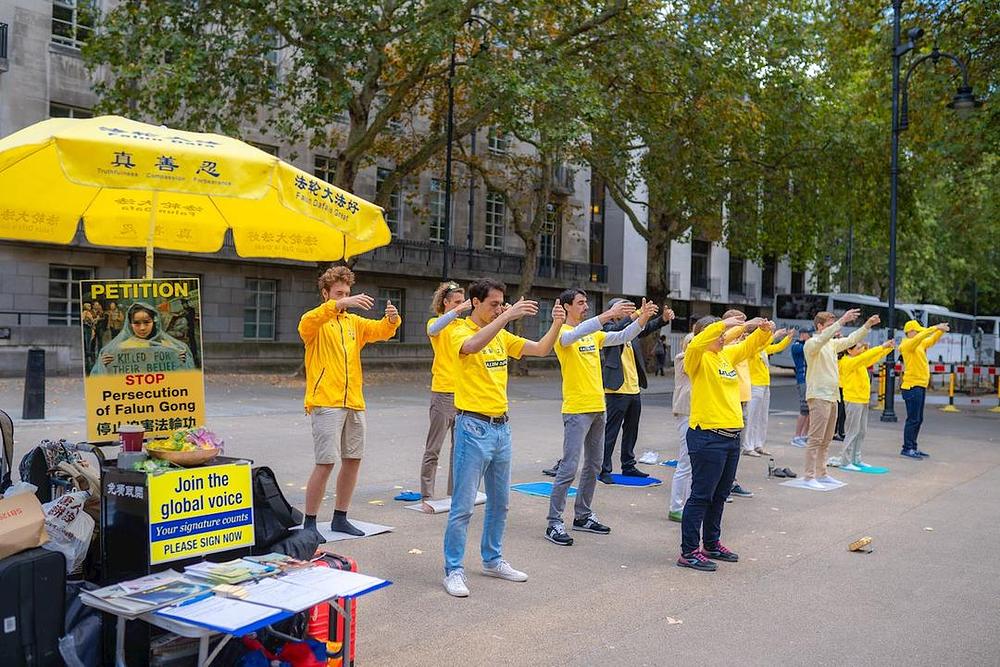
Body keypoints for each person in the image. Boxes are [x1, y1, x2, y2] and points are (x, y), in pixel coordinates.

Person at [442, 279, 565, 597]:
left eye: (502, 303)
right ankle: (453, 569)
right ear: (475, 303)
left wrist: (556, 323)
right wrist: (505, 318)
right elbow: (471, 347)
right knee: (463, 506)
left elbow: (540, 349)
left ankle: (492, 560)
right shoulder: (458, 330)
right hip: (472, 427)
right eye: (493, 304)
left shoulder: (501, 334)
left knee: (501, 503)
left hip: (501, 428)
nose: (500, 308)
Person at [546, 290, 656, 547]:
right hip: (576, 410)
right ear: (566, 306)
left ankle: (583, 515)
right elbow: (574, 335)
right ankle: (554, 521)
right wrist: (607, 315)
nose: (585, 307)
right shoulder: (561, 333)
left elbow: (622, 336)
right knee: (569, 467)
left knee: (594, 466)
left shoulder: (593, 334)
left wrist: (641, 320)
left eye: (586, 303)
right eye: (581, 303)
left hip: (598, 407)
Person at [299, 266, 401, 537]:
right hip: (326, 401)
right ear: (325, 293)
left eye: (347, 293)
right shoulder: (316, 322)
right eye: (338, 293)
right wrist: (339, 305)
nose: (345, 298)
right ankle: (309, 523)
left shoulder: (353, 323)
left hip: (354, 400)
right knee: (326, 462)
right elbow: (307, 322)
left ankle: (340, 517)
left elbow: (380, 330)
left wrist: (391, 320)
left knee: (353, 459)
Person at [678, 313, 773, 572]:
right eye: (718, 335)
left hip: (731, 437)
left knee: (720, 495)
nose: (723, 338)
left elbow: (749, 345)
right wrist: (726, 325)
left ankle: (711, 543)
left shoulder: (724, 355)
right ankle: (689, 551)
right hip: (707, 436)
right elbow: (701, 341)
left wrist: (763, 330)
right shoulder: (696, 357)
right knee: (701, 495)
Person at [599, 299, 675, 483]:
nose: (628, 312)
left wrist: (663, 319)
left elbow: (646, 328)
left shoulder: (631, 331)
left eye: (629, 309)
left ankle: (628, 465)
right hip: (616, 389)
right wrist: (637, 314)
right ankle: (603, 469)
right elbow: (617, 331)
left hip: (634, 388)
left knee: (631, 430)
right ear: (613, 310)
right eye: (624, 309)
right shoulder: (606, 329)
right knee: (611, 431)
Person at [802, 309, 878, 489]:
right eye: (828, 325)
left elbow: (851, 340)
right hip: (819, 396)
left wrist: (867, 325)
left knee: (827, 439)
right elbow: (822, 338)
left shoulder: (832, 345)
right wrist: (842, 320)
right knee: (815, 439)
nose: (833, 329)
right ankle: (809, 476)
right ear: (819, 326)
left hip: (833, 396)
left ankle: (822, 473)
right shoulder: (812, 344)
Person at [420, 281, 471, 501]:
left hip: (463, 393)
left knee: (459, 450)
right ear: (446, 303)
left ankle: (454, 494)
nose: (462, 306)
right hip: (442, 393)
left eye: (463, 301)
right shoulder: (437, 323)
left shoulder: (463, 326)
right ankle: (427, 495)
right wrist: (458, 310)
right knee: (434, 448)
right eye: (457, 302)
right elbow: (434, 328)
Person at [829, 340, 895, 470]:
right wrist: (881, 346)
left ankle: (856, 459)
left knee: (862, 431)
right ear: (849, 350)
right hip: (853, 399)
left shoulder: (858, 360)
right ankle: (845, 461)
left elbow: (871, 358)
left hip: (863, 399)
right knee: (852, 431)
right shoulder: (847, 362)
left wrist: (888, 349)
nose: (861, 350)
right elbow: (866, 356)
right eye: (859, 348)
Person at [90, 302, 195, 375]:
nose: (142, 328)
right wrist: (103, 365)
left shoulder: (170, 347)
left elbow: (184, 380)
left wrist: (183, 362)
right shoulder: (118, 349)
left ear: (154, 322)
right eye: (136, 323)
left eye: (147, 322)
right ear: (130, 324)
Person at [899, 320, 948, 459]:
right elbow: (922, 337)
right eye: (917, 330)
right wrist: (935, 327)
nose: (919, 333)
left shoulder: (918, 344)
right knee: (913, 419)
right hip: (912, 386)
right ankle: (907, 448)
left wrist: (940, 331)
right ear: (910, 331)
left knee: (918, 419)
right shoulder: (907, 344)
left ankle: (913, 447)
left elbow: (930, 340)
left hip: (919, 385)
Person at [743, 328, 792, 456]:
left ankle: (759, 444)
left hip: (765, 385)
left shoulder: (763, 350)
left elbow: (777, 347)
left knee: (762, 417)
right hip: (755, 385)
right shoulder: (752, 349)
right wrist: (775, 335)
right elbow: (764, 344)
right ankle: (748, 446)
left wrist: (788, 338)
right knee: (752, 416)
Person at [668, 329, 696, 523]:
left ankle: (687, 503)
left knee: (693, 464)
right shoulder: (683, 359)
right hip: (686, 412)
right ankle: (676, 506)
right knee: (685, 462)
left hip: (696, 413)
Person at [790, 329, 811, 447]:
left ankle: (804, 435)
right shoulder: (797, 345)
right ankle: (796, 436)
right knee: (804, 409)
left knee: (810, 411)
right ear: (803, 334)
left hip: (810, 379)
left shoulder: (807, 344)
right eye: (809, 333)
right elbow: (803, 350)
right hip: (802, 380)